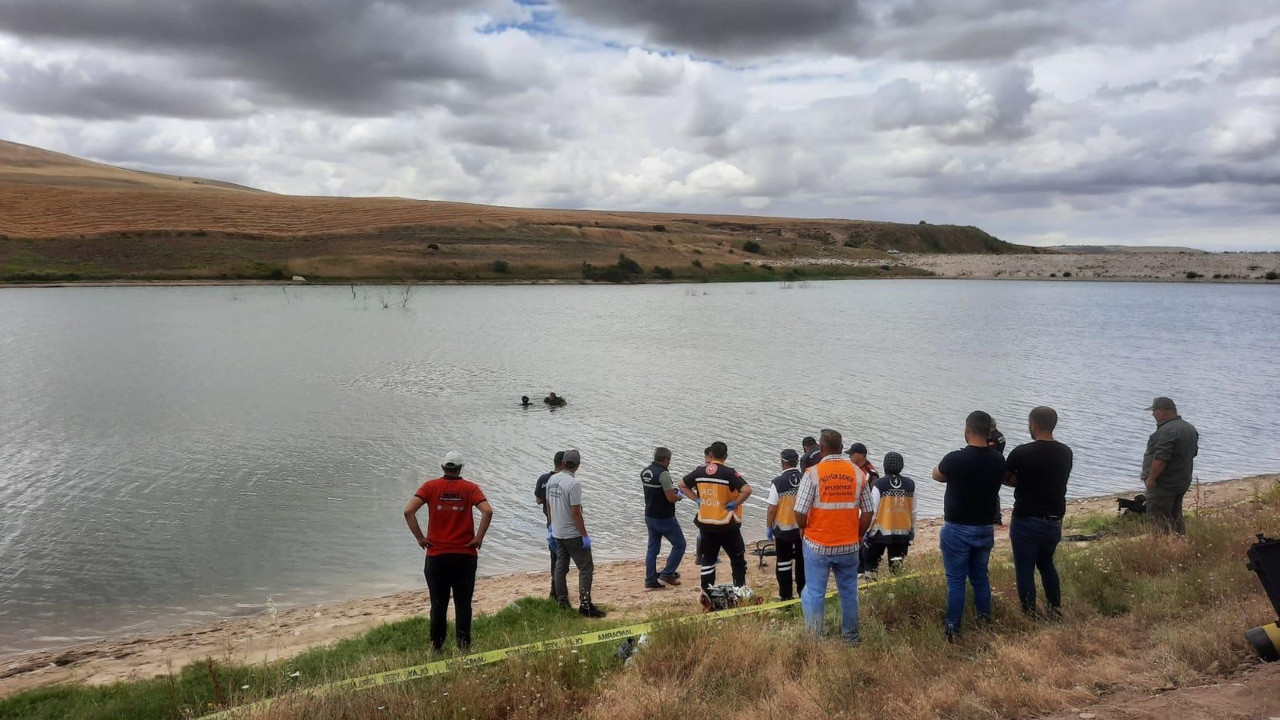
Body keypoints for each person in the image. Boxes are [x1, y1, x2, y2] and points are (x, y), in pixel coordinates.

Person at [403, 451, 494, 651]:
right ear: (460, 468)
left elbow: (409, 511)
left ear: (443, 467)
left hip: (437, 556)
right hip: (464, 555)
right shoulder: (470, 488)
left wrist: (420, 538)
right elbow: (487, 510)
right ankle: (463, 646)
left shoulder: (430, 487)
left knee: (438, 603)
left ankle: (437, 646)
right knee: (463, 603)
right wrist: (478, 538)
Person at [794, 429, 875, 643]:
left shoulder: (812, 473)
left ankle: (815, 638)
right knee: (849, 592)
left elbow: (800, 512)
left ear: (821, 449)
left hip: (818, 544)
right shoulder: (858, 474)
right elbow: (868, 511)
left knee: (815, 592)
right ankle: (851, 637)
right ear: (841, 448)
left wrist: (804, 527)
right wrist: (858, 533)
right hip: (849, 545)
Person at [933, 411, 1006, 641]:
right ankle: (984, 621)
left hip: (957, 528)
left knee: (956, 581)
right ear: (989, 432)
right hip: (985, 527)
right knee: (980, 577)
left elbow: (937, 475)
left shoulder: (955, 459)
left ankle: (953, 629)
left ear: (967, 430)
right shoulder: (998, 460)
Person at [1004, 406, 1073, 617]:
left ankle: (1029, 612)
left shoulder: (1022, 452)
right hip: (1054, 519)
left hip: (1027, 517)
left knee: (1024, 568)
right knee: (1046, 564)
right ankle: (1055, 608)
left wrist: (1017, 481)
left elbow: (1005, 476)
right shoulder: (1065, 452)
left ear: (1033, 423)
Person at [679, 441, 752, 589]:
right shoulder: (729, 473)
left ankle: (707, 590)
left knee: (708, 560)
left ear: (711, 454)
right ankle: (740, 589)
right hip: (726, 524)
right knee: (737, 559)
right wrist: (736, 502)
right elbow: (747, 490)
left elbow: (682, 485)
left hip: (706, 523)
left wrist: (696, 499)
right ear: (725, 456)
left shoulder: (699, 471)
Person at [546, 449, 606, 617]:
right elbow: (576, 513)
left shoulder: (552, 479)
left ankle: (562, 601)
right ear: (577, 466)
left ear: (563, 462)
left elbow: (549, 505)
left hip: (558, 532)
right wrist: (584, 535)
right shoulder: (574, 484)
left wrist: (552, 525)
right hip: (572, 533)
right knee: (586, 567)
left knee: (560, 567)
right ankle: (585, 605)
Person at [1141, 397, 1200, 535]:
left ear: (1161, 411)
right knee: (1175, 517)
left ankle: (1163, 549)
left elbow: (1161, 458)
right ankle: (1179, 545)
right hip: (1180, 482)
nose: (1153, 414)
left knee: (1159, 520)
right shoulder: (1189, 428)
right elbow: (1193, 453)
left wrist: (1151, 479)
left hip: (1163, 485)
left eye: (1154, 411)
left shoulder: (1167, 431)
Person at [863, 451, 916, 577]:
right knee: (896, 567)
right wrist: (911, 528)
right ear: (901, 466)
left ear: (885, 465)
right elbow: (914, 511)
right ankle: (895, 591)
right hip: (902, 533)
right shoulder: (910, 484)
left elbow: (873, 511)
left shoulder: (879, 484)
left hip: (879, 533)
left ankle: (872, 591)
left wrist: (867, 531)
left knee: (871, 565)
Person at [641, 447, 686, 589]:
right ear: (666, 459)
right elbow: (670, 498)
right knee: (680, 544)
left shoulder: (645, 472)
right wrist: (678, 496)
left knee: (652, 549)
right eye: (669, 460)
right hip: (664, 517)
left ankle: (650, 579)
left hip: (649, 515)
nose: (669, 463)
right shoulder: (664, 474)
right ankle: (667, 573)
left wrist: (668, 491)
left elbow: (656, 491)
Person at [765, 449, 806, 600]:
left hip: (783, 530)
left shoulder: (778, 482)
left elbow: (772, 508)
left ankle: (786, 596)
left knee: (783, 563)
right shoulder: (806, 478)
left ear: (783, 462)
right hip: (803, 529)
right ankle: (803, 593)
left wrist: (769, 526)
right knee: (802, 562)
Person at [534, 451, 565, 598]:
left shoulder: (544, 478)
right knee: (564, 558)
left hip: (550, 523)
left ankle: (555, 590)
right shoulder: (566, 479)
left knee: (554, 557)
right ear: (565, 463)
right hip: (565, 523)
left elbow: (539, 500)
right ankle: (559, 591)